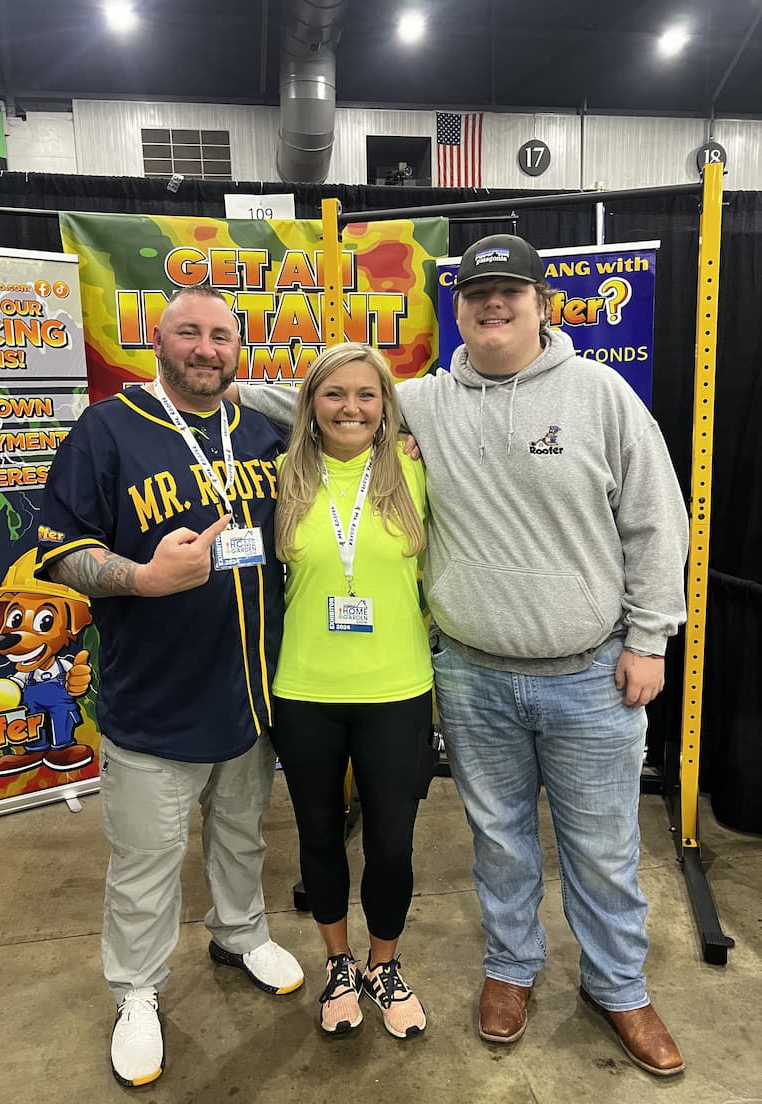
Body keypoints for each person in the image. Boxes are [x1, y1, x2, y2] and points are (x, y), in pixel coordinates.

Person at [231, 234, 690, 1076]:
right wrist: (219, 383)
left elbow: (658, 519)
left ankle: (619, 986)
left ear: (540, 303)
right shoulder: (425, 404)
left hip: (590, 673)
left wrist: (650, 638)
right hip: (472, 674)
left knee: (603, 847)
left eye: (509, 291)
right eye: (476, 294)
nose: (492, 305)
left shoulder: (601, 395)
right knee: (501, 842)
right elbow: (329, 397)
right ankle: (510, 971)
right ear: (459, 310)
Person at [34, 286, 303, 1089]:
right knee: (147, 861)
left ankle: (240, 931)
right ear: (157, 339)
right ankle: (138, 990)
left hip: (250, 695)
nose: (206, 349)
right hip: (153, 702)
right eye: (189, 332)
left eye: (222, 336)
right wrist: (145, 579)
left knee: (242, 835)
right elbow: (62, 552)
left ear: (239, 350)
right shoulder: (107, 428)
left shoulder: (260, 430)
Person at [270, 342, 434, 1038]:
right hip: (305, 689)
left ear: (386, 405)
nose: (351, 408)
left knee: (392, 845)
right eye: (334, 394)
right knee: (318, 836)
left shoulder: (415, 471)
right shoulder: (280, 475)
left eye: (366, 394)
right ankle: (338, 962)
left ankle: (384, 965)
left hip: (397, 690)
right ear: (311, 404)